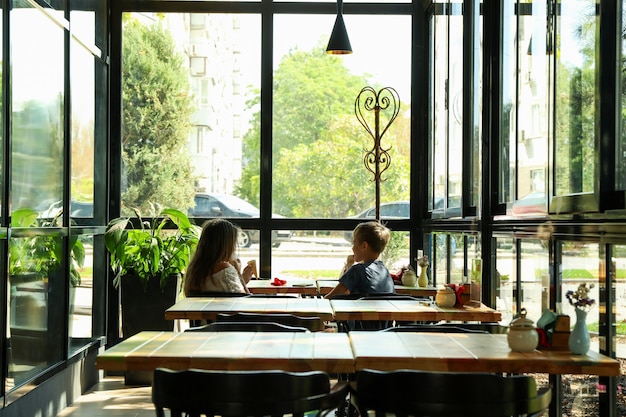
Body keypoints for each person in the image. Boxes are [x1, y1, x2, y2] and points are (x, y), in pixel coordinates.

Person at [325, 221, 395, 299]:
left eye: (354, 243)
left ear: (364, 246)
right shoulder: (384, 270)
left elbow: (330, 298)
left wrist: (349, 265)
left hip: (362, 310)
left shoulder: (357, 270)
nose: (352, 248)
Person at [184, 218, 254, 296]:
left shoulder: (195, 269)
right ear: (227, 245)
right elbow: (245, 298)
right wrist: (238, 274)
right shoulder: (225, 269)